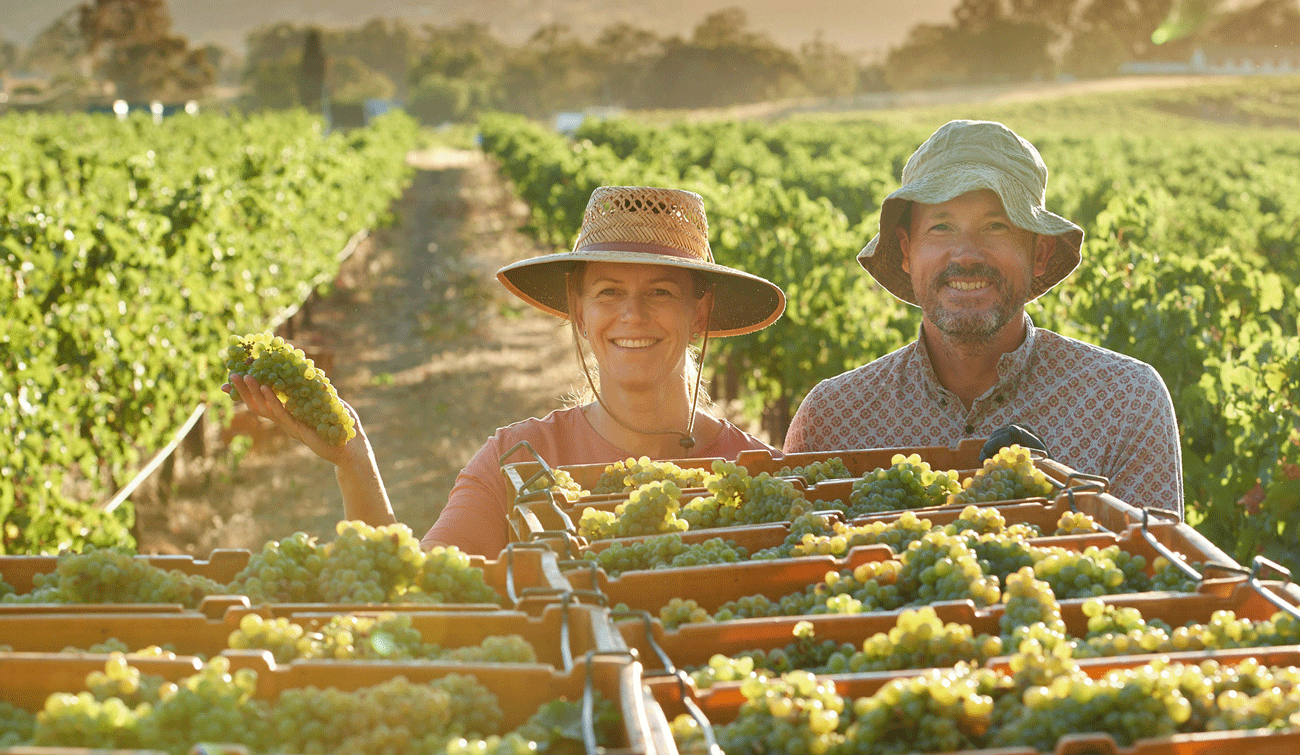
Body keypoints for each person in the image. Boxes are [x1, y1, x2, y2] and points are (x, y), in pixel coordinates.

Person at [228, 185, 787, 556]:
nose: (632, 315)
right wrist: (354, 462)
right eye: (609, 292)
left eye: (660, 292)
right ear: (579, 313)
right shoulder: (519, 461)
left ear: (700, 314)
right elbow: (420, 594)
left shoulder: (758, 475)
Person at [783, 119, 1184, 515]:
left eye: (996, 226)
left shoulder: (1125, 402)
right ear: (906, 251)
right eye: (941, 227)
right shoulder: (833, 420)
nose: (966, 255)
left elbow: (1152, 555)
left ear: (1040, 252)